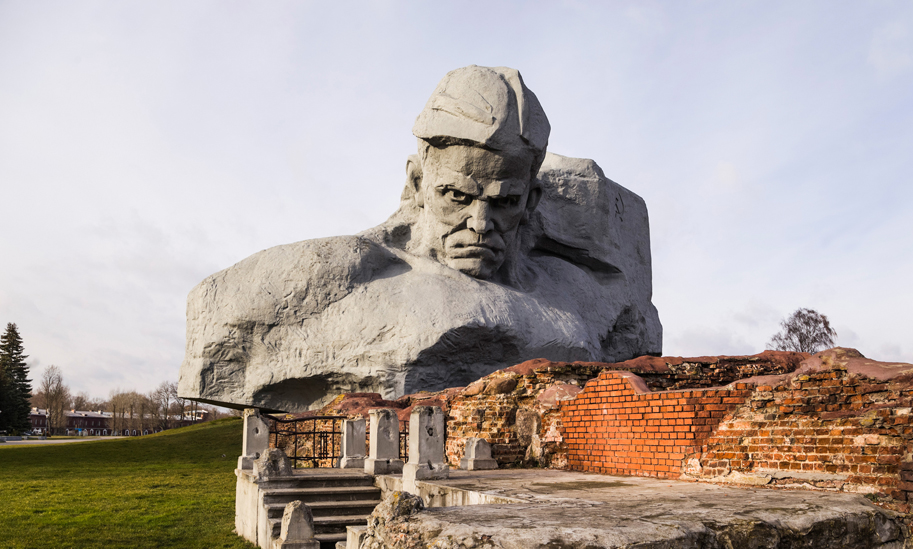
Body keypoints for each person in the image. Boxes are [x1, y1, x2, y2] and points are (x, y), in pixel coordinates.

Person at [179, 66, 661, 412]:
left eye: (504, 201)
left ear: (531, 200)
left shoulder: (572, 289)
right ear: (416, 184)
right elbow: (213, 315)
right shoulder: (349, 268)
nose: (478, 223)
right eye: (455, 195)